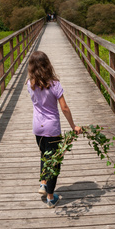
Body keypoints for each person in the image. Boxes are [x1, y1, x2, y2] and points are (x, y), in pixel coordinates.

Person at [27, 51, 82, 208]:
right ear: (48, 65)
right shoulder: (55, 85)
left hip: (37, 127)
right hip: (52, 129)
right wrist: (73, 126)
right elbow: (64, 107)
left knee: (44, 155)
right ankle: (51, 198)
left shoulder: (29, 84)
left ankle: (43, 183)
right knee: (54, 162)